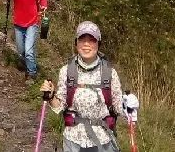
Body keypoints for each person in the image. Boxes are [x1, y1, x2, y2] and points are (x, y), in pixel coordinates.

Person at [41, 21, 127, 152]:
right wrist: (51, 96)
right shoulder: (67, 71)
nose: (86, 44)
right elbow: (60, 106)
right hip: (73, 140)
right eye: (82, 39)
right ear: (76, 43)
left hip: (103, 140)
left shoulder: (109, 73)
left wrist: (129, 106)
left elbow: (118, 107)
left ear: (98, 44)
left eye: (92, 40)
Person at [0, 0, 48, 80]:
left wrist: (43, 6)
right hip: (18, 22)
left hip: (32, 21)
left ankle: (32, 73)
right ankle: (26, 64)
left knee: (29, 50)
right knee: (21, 51)